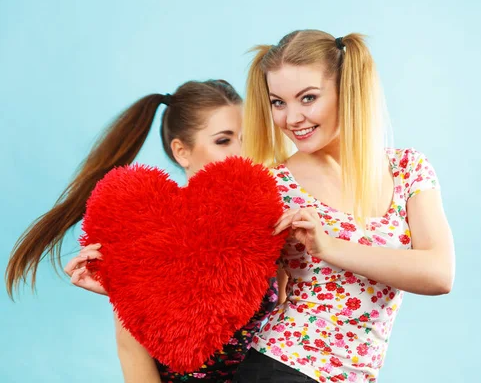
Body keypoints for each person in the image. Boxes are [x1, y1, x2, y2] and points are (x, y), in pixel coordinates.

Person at [5, 79, 285, 383]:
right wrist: (122, 288)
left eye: (247, 138)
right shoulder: (147, 227)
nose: (242, 152)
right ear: (181, 151)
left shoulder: (266, 220)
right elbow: (132, 352)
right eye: (223, 141)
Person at [234, 30, 456, 382]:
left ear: (347, 90)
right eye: (278, 102)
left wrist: (330, 247)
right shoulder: (271, 187)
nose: (291, 118)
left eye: (307, 98)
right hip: (284, 366)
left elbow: (439, 273)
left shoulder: (408, 170)